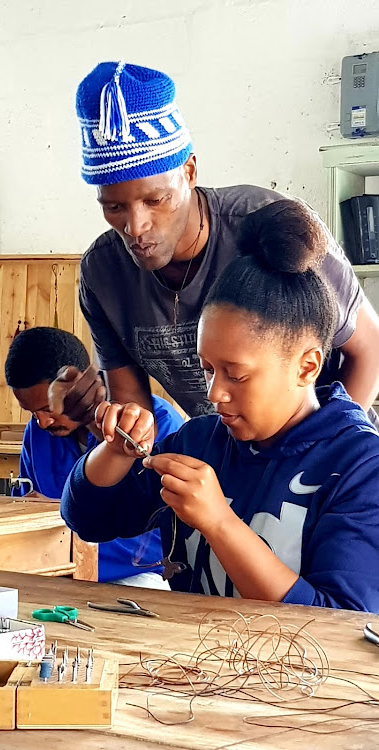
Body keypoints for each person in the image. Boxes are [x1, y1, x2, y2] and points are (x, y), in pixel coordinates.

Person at [61, 200, 379, 611]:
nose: (214, 394)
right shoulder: (199, 443)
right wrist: (115, 452)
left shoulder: (359, 468)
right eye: (208, 369)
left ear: (307, 366)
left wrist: (219, 523)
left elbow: (341, 620)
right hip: (193, 671)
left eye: (237, 374)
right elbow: (87, 518)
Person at [52, 60, 379, 425]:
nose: (135, 227)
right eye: (114, 207)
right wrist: (111, 426)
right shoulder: (103, 274)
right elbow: (134, 412)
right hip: (232, 461)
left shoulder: (267, 225)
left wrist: (322, 451)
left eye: (155, 200)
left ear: (189, 171)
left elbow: (370, 349)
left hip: (334, 457)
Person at [4, 326, 183, 588]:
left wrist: (60, 518)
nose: (42, 422)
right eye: (31, 412)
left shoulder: (154, 424)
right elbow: (25, 508)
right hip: (55, 569)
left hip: (138, 573)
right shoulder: (38, 432)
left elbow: (163, 535)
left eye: (47, 408)